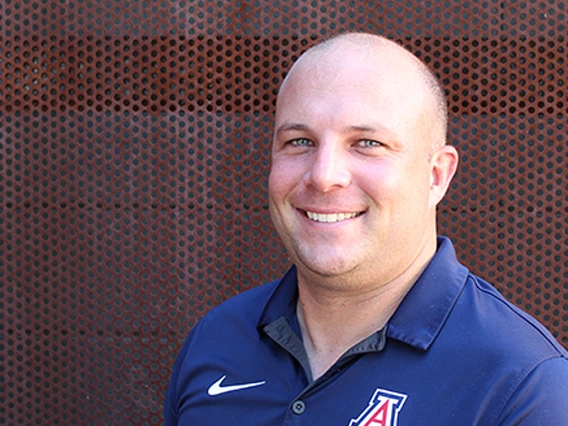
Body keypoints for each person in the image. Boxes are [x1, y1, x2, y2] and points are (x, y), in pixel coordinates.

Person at [165, 32, 568, 425]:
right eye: (300, 141)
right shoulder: (217, 340)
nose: (324, 177)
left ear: (436, 176)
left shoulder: (522, 384)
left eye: (367, 143)